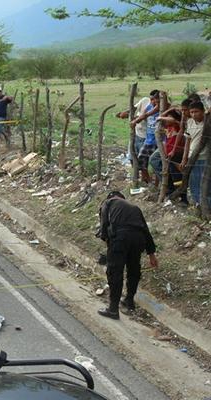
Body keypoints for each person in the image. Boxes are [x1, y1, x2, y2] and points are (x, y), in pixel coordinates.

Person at [98, 191, 159, 320]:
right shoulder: (135, 208)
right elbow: (146, 232)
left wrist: (109, 248)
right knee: (133, 269)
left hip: (121, 237)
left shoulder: (107, 203)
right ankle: (129, 301)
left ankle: (113, 309)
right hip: (139, 239)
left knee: (115, 271)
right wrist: (151, 254)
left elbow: (104, 228)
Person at [181, 101, 210, 209]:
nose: (193, 114)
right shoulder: (189, 123)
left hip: (204, 158)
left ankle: (206, 207)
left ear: (203, 111)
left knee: (205, 185)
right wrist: (184, 159)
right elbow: (187, 141)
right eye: (192, 112)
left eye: (196, 112)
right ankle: (198, 205)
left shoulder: (207, 123)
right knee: (193, 184)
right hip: (191, 158)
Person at [133, 90, 160, 184]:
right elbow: (143, 116)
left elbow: (148, 114)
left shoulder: (163, 108)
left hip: (160, 140)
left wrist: (136, 121)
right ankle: (149, 181)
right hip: (149, 140)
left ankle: (157, 184)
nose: (153, 101)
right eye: (151, 99)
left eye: (155, 99)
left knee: (157, 162)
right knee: (141, 160)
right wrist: (136, 120)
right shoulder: (149, 106)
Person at [116, 95, 150, 163]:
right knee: (131, 159)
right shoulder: (145, 100)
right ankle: (135, 172)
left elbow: (145, 117)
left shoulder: (156, 108)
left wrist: (134, 118)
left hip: (145, 137)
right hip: (136, 134)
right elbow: (134, 108)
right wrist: (126, 113)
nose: (153, 101)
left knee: (142, 163)